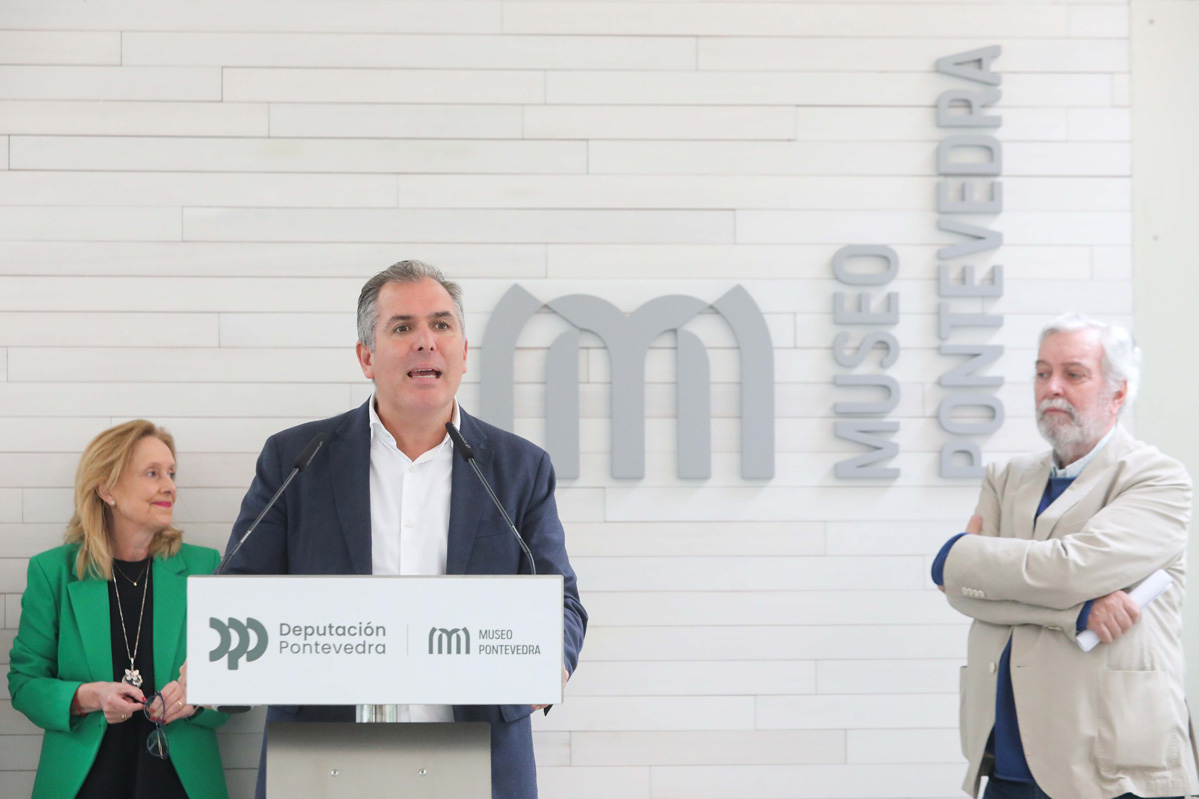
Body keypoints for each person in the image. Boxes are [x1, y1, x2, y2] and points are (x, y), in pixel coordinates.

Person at [223, 260, 587, 799]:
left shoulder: (519, 468)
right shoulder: (296, 458)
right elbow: (239, 592)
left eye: (441, 325)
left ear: (464, 352)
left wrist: (551, 658)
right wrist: (218, 661)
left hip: (477, 761)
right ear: (366, 357)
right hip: (322, 760)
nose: (425, 341)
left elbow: (561, 600)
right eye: (402, 327)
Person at [931, 314, 1199, 799]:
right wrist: (1079, 612)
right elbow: (963, 594)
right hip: (1007, 760)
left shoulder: (1157, 479)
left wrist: (961, 557)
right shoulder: (1005, 478)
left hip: (1114, 768)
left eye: (1073, 374)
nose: (1051, 388)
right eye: (1042, 372)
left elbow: (1070, 569)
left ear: (1118, 392)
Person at [8, 420, 229, 799]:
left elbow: (237, 682)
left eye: (172, 473)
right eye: (152, 473)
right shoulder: (53, 572)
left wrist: (194, 701)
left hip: (182, 781)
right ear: (106, 489)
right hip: (84, 781)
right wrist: (88, 697)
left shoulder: (204, 566)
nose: (170, 486)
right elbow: (25, 685)